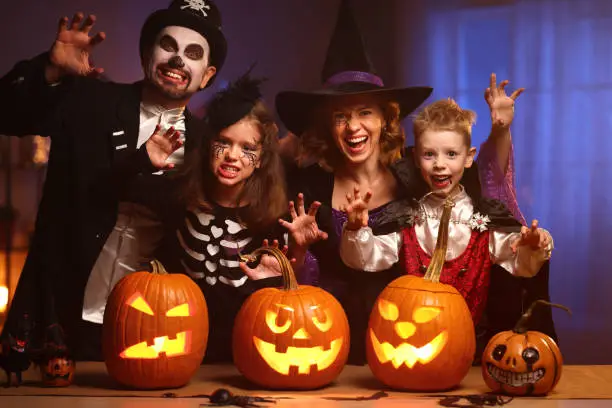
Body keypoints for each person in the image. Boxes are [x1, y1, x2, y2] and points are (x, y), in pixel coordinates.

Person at [274, 0, 528, 364]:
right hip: (331, 340)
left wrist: (501, 130)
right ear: (329, 126)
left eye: (365, 112)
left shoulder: (419, 169)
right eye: (340, 116)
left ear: (385, 120)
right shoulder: (310, 187)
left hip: (416, 336)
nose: (353, 127)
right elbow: (300, 274)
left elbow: (485, 176)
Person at [0, 0, 227, 361]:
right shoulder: (90, 100)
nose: (177, 60)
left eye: (193, 53)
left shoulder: (210, 146)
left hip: (153, 328)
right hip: (57, 319)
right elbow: (6, 114)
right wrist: (49, 70)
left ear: (208, 74)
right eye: (167, 45)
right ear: (146, 53)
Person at [339, 98, 553, 333]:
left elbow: (520, 264)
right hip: (413, 337)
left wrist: (532, 246)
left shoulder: (482, 220)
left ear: (469, 157)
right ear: (416, 157)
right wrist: (356, 230)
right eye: (429, 154)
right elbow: (366, 259)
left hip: (470, 345)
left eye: (451, 154)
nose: (439, 164)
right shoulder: (408, 217)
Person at [151, 70, 321, 363]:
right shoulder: (180, 202)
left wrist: (297, 252)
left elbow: (293, 296)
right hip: (179, 348)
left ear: (261, 160)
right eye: (223, 142)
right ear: (207, 147)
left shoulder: (274, 218)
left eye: (248, 149)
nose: (232, 155)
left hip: (249, 351)